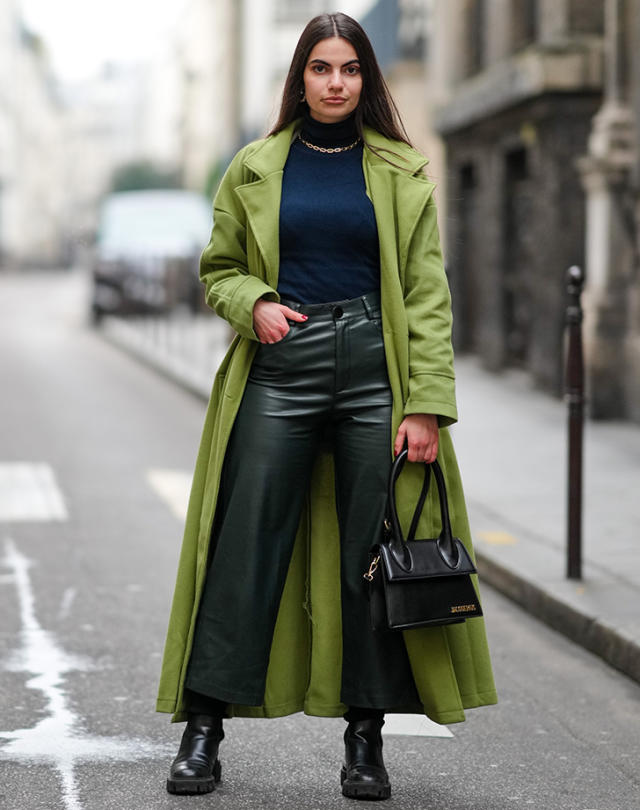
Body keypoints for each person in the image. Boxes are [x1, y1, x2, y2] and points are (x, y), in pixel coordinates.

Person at [157, 11, 497, 801]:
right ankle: (203, 733)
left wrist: (427, 407)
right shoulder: (255, 166)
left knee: (369, 564)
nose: (336, 82)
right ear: (300, 79)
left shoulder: (402, 169)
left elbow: (427, 296)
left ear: (366, 79)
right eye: (321, 68)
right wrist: (256, 304)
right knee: (244, 550)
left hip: (379, 373)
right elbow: (219, 268)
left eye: (349, 69)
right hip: (283, 367)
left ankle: (365, 743)